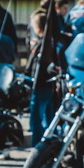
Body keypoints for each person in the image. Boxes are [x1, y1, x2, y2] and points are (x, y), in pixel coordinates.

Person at [27, 11, 57, 145]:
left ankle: (38, 144)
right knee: (48, 115)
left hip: (41, 84)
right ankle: (49, 141)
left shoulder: (45, 45)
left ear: (37, 27)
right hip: (46, 84)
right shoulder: (47, 42)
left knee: (37, 117)